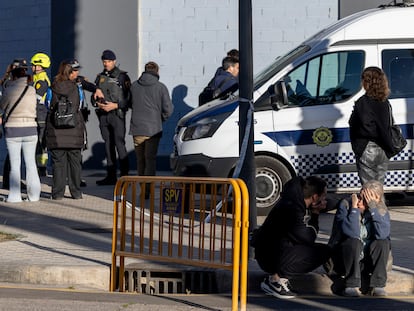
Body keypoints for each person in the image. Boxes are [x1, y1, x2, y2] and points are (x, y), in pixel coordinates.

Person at [251, 176, 331, 299]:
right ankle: (275, 281)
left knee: (320, 249)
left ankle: (280, 277)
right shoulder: (292, 209)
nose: (325, 199)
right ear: (315, 197)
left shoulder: (293, 201)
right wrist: (315, 214)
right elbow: (308, 237)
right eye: (323, 196)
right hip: (270, 256)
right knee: (321, 252)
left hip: (271, 252)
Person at [45, 59, 101, 200]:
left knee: (58, 165)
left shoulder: (52, 87)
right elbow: (81, 105)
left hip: (56, 133)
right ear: (69, 72)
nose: (78, 73)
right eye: (75, 71)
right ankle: (76, 193)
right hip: (74, 131)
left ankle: (57, 194)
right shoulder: (77, 88)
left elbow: (47, 105)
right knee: (75, 164)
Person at [327, 180, 391, 297]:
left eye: (365, 199)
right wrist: (355, 210)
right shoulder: (346, 204)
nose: (360, 201)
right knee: (353, 241)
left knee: (383, 242)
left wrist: (373, 209)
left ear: (376, 199)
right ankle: (351, 284)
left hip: (368, 260)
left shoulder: (380, 209)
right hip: (345, 260)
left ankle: (378, 284)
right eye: (360, 196)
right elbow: (352, 233)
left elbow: (382, 234)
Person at [0, 59, 41, 202]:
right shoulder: (32, 89)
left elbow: (2, 106)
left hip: (13, 130)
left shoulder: (9, 90)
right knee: (31, 164)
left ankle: (14, 196)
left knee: (15, 165)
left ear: (13, 75)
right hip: (31, 129)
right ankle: (34, 196)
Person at [349, 67, 395, 185]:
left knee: (369, 191)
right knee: (378, 188)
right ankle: (380, 204)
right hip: (383, 148)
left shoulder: (362, 103)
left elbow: (359, 125)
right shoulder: (385, 102)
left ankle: (373, 204)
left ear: (366, 82)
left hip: (367, 148)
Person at [129, 61, 173, 180]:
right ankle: (148, 189)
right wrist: (160, 119)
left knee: (140, 160)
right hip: (153, 129)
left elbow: (129, 103)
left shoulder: (134, 86)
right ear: (157, 71)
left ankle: (142, 186)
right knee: (150, 160)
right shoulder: (161, 87)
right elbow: (168, 109)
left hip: (137, 128)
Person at [93, 50, 131, 185]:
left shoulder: (122, 77)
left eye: (108, 61)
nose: (106, 64)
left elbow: (129, 100)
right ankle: (111, 176)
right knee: (108, 145)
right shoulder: (100, 77)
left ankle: (125, 177)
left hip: (117, 115)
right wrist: (97, 102)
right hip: (103, 116)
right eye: (104, 61)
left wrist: (115, 106)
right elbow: (94, 97)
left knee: (119, 145)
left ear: (114, 61)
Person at [31, 52, 52, 177]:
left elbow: (35, 100)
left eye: (34, 65)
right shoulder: (38, 79)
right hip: (40, 115)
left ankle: (42, 168)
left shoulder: (41, 81)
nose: (32, 67)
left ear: (39, 66)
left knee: (41, 143)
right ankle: (41, 167)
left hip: (40, 116)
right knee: (40, 144)